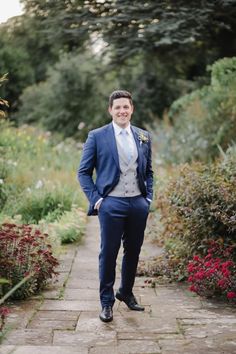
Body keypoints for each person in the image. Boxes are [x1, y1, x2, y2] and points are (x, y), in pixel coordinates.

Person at [78, 90, 153, 322]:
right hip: (111, 203)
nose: (122, 111)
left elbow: (149, 171)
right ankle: (106, 302)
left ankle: (126, 292)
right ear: (110, 110)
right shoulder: (97, 136)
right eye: (117, 107)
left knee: (134, 251)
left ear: (132, 109)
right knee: (109, 253)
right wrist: (98, 200)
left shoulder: (143, 136)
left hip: (138, 204)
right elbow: (83, 172)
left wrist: (147, 198)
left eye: (126, 107)